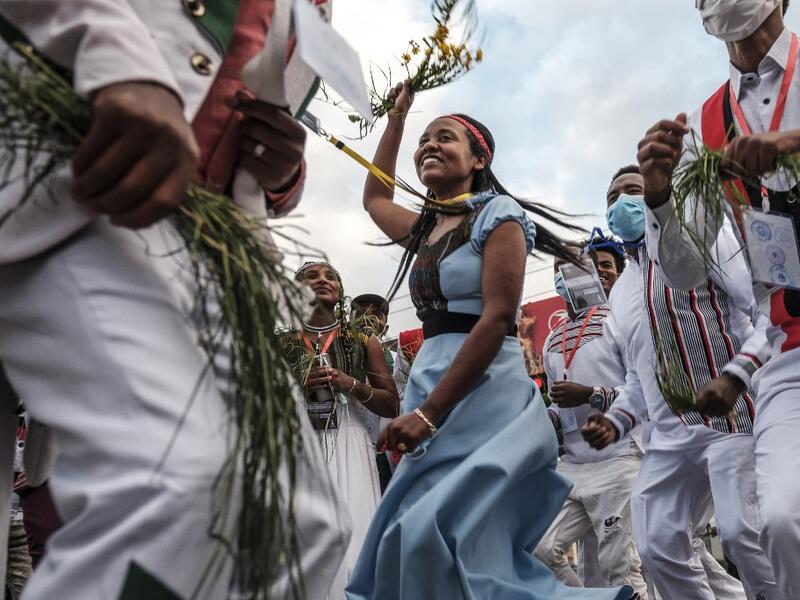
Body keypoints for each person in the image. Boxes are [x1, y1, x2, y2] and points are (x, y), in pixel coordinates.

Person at [0, 2, 349, 598]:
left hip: (207, 246)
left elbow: (261, 102)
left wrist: (284, 172)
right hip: (70, 173)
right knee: (177, 481)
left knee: (303, 523)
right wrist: (118, 60)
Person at [345, 80, 633, 600]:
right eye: (424, 140)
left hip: (481, 392)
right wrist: (396, 119)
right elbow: (375, 198)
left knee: (444, 538)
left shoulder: (498, 215)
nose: (429, 145)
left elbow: (499, 317)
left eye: (445, 137)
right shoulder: (425, 230)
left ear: (479, 159)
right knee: (418, 546)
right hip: (429, 382)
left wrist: (429, 413)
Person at [636, 2, 800, 597]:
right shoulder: (708, 123)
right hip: (790, 344)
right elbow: (683, 269)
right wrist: (660, 198)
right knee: (780, 521)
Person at [582, 166, 778, 599]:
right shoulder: (620, 293)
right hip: (668, 439)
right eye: (612, 198)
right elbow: (638, 378)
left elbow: (764, 313)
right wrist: (615, 420)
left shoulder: (700, 240)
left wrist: (737, 376)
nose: (621, 203)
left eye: (632, 190)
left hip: (731, 420)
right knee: (656, 546)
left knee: (742, 534)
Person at [535, 241, 647, 597]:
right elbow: (560, 406)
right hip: (571, 467)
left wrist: (590, 394)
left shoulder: (618, 322)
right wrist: (544, 419)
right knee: (540, 551)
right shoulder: (551, 340)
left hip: (617, 459)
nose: (563, 272)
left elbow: (642, 388)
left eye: (571, 263)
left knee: (619, 566)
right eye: (557, 266)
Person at [284, 261, 399, 600]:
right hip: (299, 443)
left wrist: (351, 384)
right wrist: (298, 386)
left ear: (340, 291)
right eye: (311, 276)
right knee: (302, 545)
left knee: (354, 544)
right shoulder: (282, 343)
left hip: (350, 441)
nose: (323, 280)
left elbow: (391, 404)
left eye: (330, 276)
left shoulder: (364, 340)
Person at [350, 293, 396, 492]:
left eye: (377, 314)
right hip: (350, 447)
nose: (368, 318)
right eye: (361, 313)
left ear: (386, 326)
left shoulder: (400, 358)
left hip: (387, 450)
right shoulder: (338, 355)